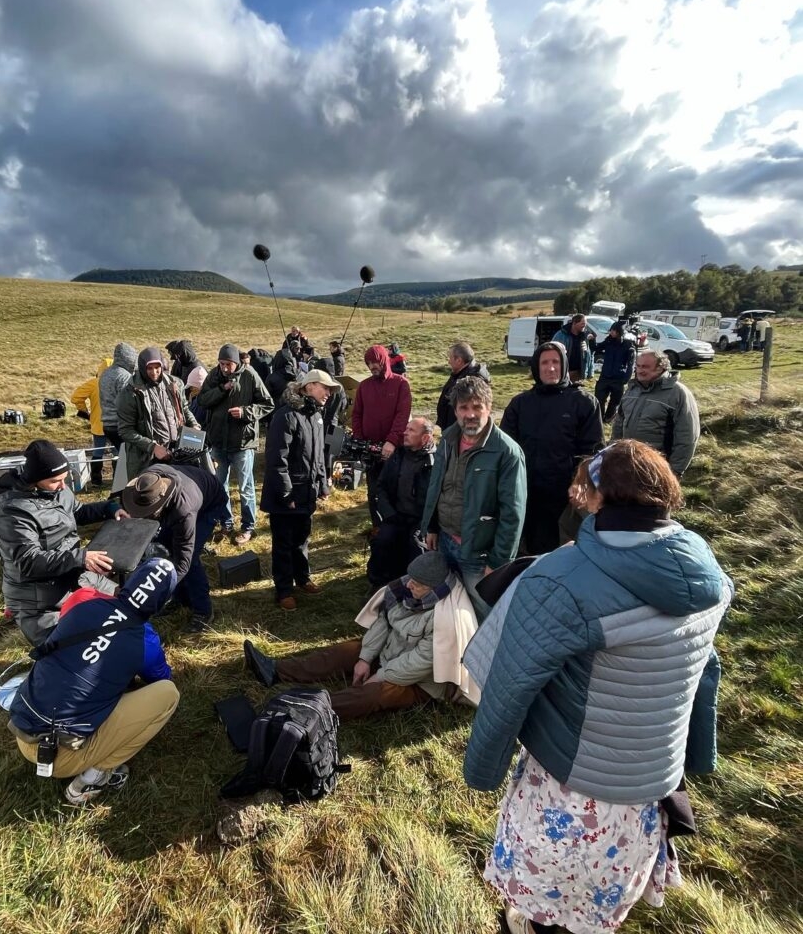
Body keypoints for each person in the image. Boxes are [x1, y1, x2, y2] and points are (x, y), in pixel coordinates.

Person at [462, 440, 733, 934]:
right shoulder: (705, 569)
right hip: (648, 793)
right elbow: (705, 670)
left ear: (599, 497)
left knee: (545, 912)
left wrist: (481, 770)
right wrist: (697, 752)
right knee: (596, 915)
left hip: (572, 791)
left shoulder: (560, 580)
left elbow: (509, 686)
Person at [6, 558, 181, 806]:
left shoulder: (84, 598)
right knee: (168, 694)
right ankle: (94, 776)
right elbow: (161, 678)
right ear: (162, 603)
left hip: (21, 727)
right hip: (62, 758)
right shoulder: (145, 640)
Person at [242, 551, 479, 720]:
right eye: (411, 580)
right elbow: (384, 622)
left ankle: (307, 711)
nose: (409, 586)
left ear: (434, 588)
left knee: (373, 694)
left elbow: (419, 663)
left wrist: (381, 675)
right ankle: (275, 669)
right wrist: (365, 659)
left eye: (417, 584)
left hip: (419, 683)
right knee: (345, 652)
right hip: (390, 655)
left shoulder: (448, 619)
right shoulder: (407, 588)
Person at [0, 440, 128, 646]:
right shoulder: (12, 514)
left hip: (75, 575)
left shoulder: (59, 491)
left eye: (65, 478)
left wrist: (109, 509)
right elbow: (28, 562)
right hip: (40, 599)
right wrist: (81, 558)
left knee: (125, 609)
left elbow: (77, 512)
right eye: (55, 480)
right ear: (34, 480)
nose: (63, 485)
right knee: (74, 650)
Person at [420, 375, 526, 620]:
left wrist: (498, 563)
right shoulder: (447, 439)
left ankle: (483, 658)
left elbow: (512, 514)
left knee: (484, 613)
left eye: (477, 406)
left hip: (480, 554)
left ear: (489, 408)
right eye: (463, 407)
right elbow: (438, 487)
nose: (470, 414)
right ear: (455, 411)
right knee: (448, 606)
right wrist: (432, 527)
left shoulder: (507, 453)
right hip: (445, 541)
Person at [500, 342, 604, 555]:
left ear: (564, 365)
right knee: (526, 547)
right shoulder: (520, 404)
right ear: (536, 368)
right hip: (526, 490)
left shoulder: (584, 402)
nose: (550, 368)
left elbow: (592, 451)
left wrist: (581, 483)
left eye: (555, 362)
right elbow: (505, 448)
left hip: (566, 493)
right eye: (544, 362)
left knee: (564, 549)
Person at [261, 369, 339, 611]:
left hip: (308, 492)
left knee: (302, 538)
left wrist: (323, 484)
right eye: (325, 388)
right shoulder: (285, 416)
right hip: (287, 495)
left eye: (330, 389)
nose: (328, 393)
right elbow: (276, 459)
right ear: (309, 387)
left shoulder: (316, 416)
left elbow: (318, 456)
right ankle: (284, 589)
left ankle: (302, 578)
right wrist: (286, 494)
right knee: (283, 543)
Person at [121, 463, 227, 632]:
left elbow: (184, 561)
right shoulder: (146, 482)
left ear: (162, 505)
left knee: (190, 561)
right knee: (166, 546)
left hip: (210, 503)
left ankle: (203, 611)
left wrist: (161, 590)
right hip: (188, 494)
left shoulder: (184, 510)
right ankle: (181, 598)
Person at [197, 343, 274, 545]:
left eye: (228, 364)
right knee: (219, 486)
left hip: (243, 443)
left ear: (237, 362)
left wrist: (245, 413)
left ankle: (248, 527)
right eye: (221, 364)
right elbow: (203, 400)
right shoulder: (214, 376)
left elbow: (267, 404)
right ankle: (226, 523)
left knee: (245, 487)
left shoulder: (249, 375)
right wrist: (222, 389)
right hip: (218, 442)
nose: (224, 368)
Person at [367, 416, 435, 591]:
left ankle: (412, 590)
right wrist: (388, 514)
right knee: (382, 540)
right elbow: (380, 487)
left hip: (421, 522)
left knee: (417, 549)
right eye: (406, 429)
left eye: (411, 430)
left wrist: (428, 525)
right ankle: (378, 587)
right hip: (395, 516)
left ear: (425, 438)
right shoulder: (397, 455)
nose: (404, 433)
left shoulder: (436, 462)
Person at [611, 349, 700, 478]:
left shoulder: (678, 393)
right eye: (638, 366)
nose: (640, 370)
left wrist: (675, 472)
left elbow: (687, 436)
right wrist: (612, 455)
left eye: (646, 367)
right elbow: (618, 426)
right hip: (627, 465)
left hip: (658, 469)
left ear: (661, 368)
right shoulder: (632, 390)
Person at [117, 346, 199, 482]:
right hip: (148, 459)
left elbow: (184, 409)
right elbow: (125, 430)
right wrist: (153, 447)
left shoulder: (174, 384)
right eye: (150, 368)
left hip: (176, 452)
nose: (154, 372)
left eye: (157, 367)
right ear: (142, 367)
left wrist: (194, 425)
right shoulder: (130, 394)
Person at [351, 344, 412, 524]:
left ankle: (395, 529)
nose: (372, 367)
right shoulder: (364, 386)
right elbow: (357, 414)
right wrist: (360, 440)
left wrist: (392, 441)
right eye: (368, 363)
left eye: (375, 362)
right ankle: (378, 529)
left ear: (383, 360)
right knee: (373, 491)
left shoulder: (401, 384)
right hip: (371, 450)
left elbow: (403, 415)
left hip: (394, 451)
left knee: (394, 490)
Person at [70, 357, 113, 487]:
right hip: (116, 425)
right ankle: (118, 480)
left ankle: (96, 481)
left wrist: (84, 411)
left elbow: (75, 397)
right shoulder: (119, 381)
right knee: (118, 453)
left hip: (98, 425)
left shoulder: (94, 383)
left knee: (97, 453)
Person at [436, 342, 491, 431]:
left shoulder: (472, 381)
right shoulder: (459, 373)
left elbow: (468, 407)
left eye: (450, 358)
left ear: (459, 360)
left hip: (462, 431)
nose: (448, 361)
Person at [99, 343, 139, 453]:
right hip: (121, 425)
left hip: (108, 425)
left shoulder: (106, 373)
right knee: (131, 456)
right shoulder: (124, 377)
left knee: (122, 454)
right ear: (129, 358)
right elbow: (128, 403)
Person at [593, 323, 636, 424]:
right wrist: (591, 340)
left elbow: (630, 364)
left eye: (613, 330)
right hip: (605, 376)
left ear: (619, 332)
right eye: (611, 330)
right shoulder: (608, 341)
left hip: (618, 378)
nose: (611, 332)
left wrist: (626, 378)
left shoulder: (628, 345)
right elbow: (596, 348)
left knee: (615, 401)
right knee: (599, 398)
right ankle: (599, 418)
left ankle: (608, 418)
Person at [553, 314, 595, 382]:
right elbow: (553, 354)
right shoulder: (561, 335)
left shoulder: (584, 337)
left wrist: (590, 372)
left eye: (585, 324)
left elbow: (590, 355)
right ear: (574, 323)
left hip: (578, 374)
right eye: (582, 323)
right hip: (564, 373)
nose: (584, 326)